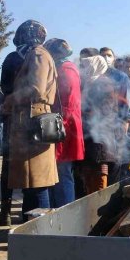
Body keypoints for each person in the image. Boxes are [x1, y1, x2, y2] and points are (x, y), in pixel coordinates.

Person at [2, 20, 58, 222]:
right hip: (30, 120)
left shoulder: (37, 54)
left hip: (33, 122)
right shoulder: (38, 54)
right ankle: (29, 227)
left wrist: (9, 100)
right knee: (30, 184)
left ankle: (41, 231)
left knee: (37, 182)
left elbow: (35, 89)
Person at [0, 31, 27, 226]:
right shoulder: (38, 56)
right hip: (25, 120)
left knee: (10, 166)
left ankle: (6, 212)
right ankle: (18, 212)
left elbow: (4, 89)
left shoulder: (14, 57)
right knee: (18, 166)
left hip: (14, 119)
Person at [44, 39, 84, 207]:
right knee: (63, 173)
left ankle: (63, 211)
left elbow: (60, 101)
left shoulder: (64, 71)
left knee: (63, 174)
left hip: (64, 127)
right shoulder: (71, 68)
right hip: (68, 125)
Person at [79, 55, 122, 193]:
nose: (84, 69)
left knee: (99, 182)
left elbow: (105, 110)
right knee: (89, 180)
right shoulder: (91, 83)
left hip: (101, 138)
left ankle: (98, 212)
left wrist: (86, 113)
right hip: (92, 137)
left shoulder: (104, 84)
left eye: (88, 65)